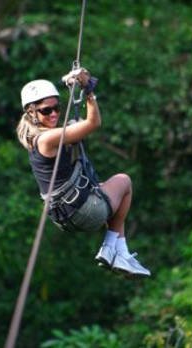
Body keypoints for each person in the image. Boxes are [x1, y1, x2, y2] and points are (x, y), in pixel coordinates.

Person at [15, 68, 151, 278]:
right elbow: (94, 123)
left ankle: (120, 251)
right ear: (32, 113)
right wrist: (88, 89)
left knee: (108, 188)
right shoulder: (46, 140)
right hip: (83, 211)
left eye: (57, 108)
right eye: (46, 110)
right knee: (124, 182)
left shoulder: (40, 139)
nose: (53, 114)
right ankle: (111, 247)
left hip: (68, 214)